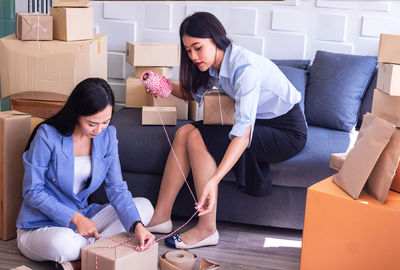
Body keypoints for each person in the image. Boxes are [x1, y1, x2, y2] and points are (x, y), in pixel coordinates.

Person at [145, 12, 307, 249]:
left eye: (198, 47)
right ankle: (161, 217)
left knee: (197, 137)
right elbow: (192, 93)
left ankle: (207, 229)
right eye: (188, 50)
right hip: (260, 122)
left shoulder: (244, 68)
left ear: (215, 38)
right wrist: (163, 85)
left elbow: (243, 133)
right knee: (183, 133)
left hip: (285, 132)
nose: (193, 56)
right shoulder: (216, 65)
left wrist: (214, 180)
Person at [16, 78, 155, 270]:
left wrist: (137, 226)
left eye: (105, 122)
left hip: (84, 220)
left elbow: (116, 188)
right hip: (41, 227)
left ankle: (80, 262)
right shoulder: (47, 135)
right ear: (75, 113)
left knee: (144, 208)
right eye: (92, 123)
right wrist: (75, 218)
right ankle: (98, 254)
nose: (99, 130)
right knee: (65, 244)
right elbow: (33, 191)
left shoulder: (108, 136)